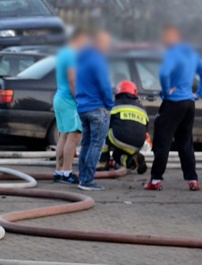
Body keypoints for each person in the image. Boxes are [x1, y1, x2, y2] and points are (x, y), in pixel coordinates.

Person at [145, 24, 202, 191]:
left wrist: (166, 92)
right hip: (189, 103)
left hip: (173, 103)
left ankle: (155, 181)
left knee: (162, 142)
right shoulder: (190, 54)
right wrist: (199, 93)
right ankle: (192, 180)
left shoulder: (172, 53)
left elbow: (164, 73)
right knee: (185, 142)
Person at [74, 29, 115, 191]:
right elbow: (105, 85)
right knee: (96, 145)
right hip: (97, 107)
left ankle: (82, 177)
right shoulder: (98, 59)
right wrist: (109, 104)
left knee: (86, 144)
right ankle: (88, 181)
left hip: (83, 106)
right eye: (106, 43)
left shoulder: (82, 58)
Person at [52, 28, 87, 184]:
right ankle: (67, 173)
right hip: (68, 100)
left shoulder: (63, 53)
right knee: (74, 136)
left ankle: (58, 172)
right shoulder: (72, 54)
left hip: (59, 97)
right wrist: (79, 98)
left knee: (64, 136)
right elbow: (73, 80)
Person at [99, 81, 149, 173]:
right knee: (117, 155)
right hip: (138, 144)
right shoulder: (142, 108)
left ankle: (103, 163)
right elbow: (146, 128)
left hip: (120, 139)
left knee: (102, 132)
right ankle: (133, 160)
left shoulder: (114, 105)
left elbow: (105, 123)